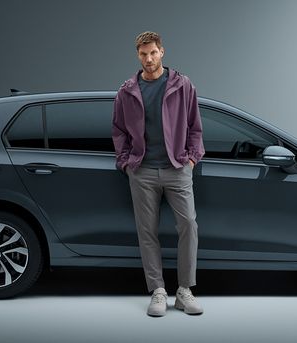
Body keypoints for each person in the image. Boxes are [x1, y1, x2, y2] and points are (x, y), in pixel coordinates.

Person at [112, 31, 205, 317]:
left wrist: (191, 159)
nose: (149, 59)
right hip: (142, 171)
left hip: (177, 168)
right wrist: (126, 162)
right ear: (137, 56)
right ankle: (158, 291)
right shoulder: (127, 90)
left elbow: (195, 127)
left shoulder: (182, 85)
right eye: (143, 54)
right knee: (147, 232)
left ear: (162, 51)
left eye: (153, 52)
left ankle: (185, 290)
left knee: (188, 225)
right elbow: (119, 131)